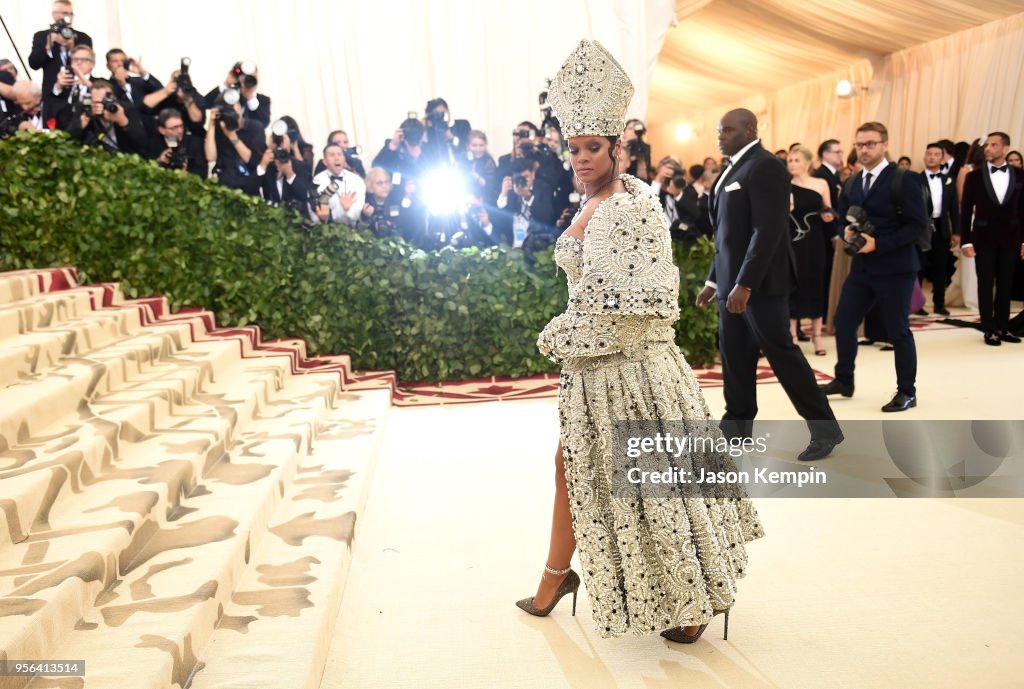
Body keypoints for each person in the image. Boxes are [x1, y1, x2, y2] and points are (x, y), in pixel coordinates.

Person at [519, 38, 764, 645]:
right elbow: (595, 289)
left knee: (654, 479)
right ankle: (556, 576)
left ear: (618, 147)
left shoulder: (634, 208)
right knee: (574, 469)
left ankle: (689, 594)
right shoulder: (591, 198)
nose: (580, 158)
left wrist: (564, 333)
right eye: (573, 148)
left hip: (630, 366)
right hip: (592, 368)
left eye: (592, 148)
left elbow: (643, 303)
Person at [696, 109, 842, 458]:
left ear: (750, 129)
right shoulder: (731, 167)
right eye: (719, 131)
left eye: (727, 130)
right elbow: (727, 236)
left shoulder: (766, 166)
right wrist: (715, 281)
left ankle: (826, 431)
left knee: (782, 355)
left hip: (759, 285)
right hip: (730, 283)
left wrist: (745, 284)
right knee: (734, 355)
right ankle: (737, 425)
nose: (720, 137)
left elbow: (769, 230)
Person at [821, 122, 927, 411]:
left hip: (897, 268)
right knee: (843, 323)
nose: (864, 149)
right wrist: (847, 233)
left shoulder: (905, 179)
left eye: (870, 144)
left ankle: (907, 391)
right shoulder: (854, 181)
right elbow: (843, 218)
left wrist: (879, 244)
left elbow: (917, 226)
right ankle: (844, 379)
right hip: (863, 268)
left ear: (885, 144)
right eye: (859, 144)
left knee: (897, 331)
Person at [959, 132, 1024, 345]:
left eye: (993, 145)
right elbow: (966, 210)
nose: (988, 148)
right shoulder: (974, 176)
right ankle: (989, 328)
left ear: (1005, 148)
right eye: (987, 145)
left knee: (1006, 283)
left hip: (1011, 238)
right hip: (983, 237)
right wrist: (965, 241)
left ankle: (1003, 327)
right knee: (985, 283)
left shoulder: (1020, 175)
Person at [787, 145, 834, 355]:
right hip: (794, 240)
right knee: (794, 284)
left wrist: (828, 215)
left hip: (815, 240)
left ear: (807, 163)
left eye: (796, 160)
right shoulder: (786, 185)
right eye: (789, 161)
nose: (792, 164)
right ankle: (793, 336)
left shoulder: (821, 183)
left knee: (816, 283)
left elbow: (828, 209)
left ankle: (817, 337)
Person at [919, 142, 960, 315]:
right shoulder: (915, 179)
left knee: (940, 267)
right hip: (921, 229)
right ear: (924, 157)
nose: (932, 157)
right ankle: (916, 304)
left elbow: (953, 209)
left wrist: (956, 232)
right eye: (929, 154)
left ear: (942, 159)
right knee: (918, 267)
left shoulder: (949, 181)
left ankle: (939, 304)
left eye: (936, 154)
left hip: (941, 227)